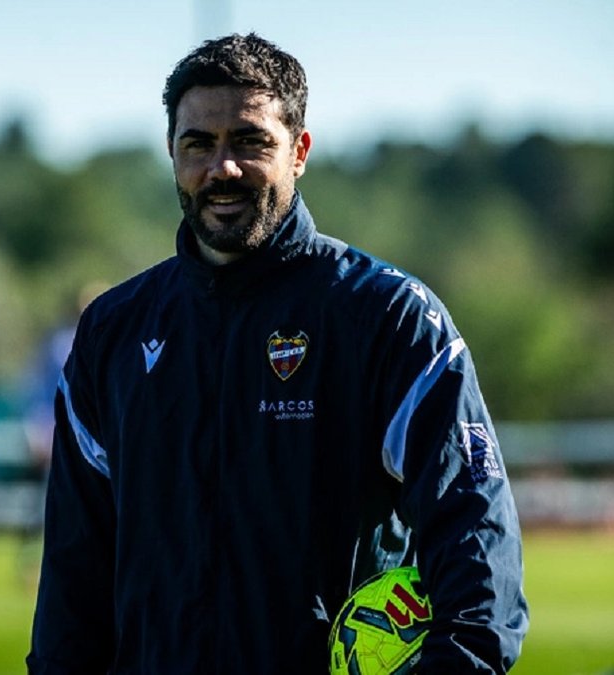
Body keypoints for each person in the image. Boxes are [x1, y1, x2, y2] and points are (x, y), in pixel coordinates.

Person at [27, 33, 528, 673]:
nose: (222, 168)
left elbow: (477, 541)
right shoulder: (113, 331)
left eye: (250, 141)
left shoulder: (386, 317)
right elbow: (73, 578)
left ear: (299, 151)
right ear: (172, 154)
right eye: (198, 144)